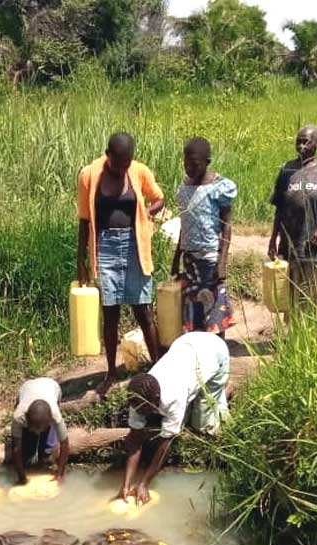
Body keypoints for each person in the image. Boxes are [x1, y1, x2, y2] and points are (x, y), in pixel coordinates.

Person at [76, 132, 165, 396]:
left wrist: (144, 215)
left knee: (143, 309)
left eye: (128, 162)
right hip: (105, 247)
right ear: (108, 154)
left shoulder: (138, 171)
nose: (124, 168)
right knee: (111, 313)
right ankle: (111, 373)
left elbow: (159, 198)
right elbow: (83, 219)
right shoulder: (89, 175)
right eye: (119, 163)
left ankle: (159, 366)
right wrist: (80, 259)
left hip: (135, 246)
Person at [119, 332, 230, 505]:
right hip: (185, 343)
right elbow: (135, 439)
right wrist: (126, 485)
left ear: (156, 401)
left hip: (214, 352)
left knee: (203, 426)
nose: (141, 411)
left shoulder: (173, 396)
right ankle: (194, 399)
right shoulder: (139, 393)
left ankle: (217, 397)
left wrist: (144, 484)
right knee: (172, 418)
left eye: (146, 409)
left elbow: (166, 444)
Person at [268, 125, 317, 313]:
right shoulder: (286, 170)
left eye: (306, 141)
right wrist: (272, 240)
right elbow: (279, 208)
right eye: (298, 141)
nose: (301, 146)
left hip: (316, 246)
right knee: (293, 301)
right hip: (291, 244)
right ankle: (295, 338)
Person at [171, 137, 237, 338]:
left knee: (214, 312)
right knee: (195, 310)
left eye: (195, 164)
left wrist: (222, 260)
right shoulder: (184, 188)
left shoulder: (220, 187)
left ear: (207, 161)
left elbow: (226, 227)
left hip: (210, 259)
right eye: (186, 163)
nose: (189, 168)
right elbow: (185, 225)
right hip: (190, 260)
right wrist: (176, 258)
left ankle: (218, 355)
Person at [10, 377, 70, 485]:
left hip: (52, 386)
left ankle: (45, 452)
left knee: (48, 449)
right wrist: (21, 476)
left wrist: (60, 474)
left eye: (41, 429)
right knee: (26, 449)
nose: (37, 432)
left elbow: (65, 444)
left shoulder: (55, 415)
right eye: (34, 428)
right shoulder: (19, 416)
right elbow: (16, 447)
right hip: (26, 387)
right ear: (27, 419)